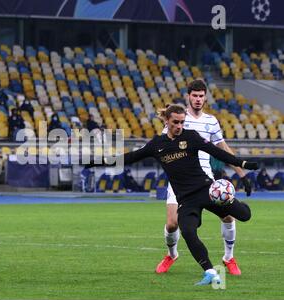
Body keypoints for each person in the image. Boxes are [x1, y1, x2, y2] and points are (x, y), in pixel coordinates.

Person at [87, 104, 258, 285]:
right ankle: (210, 272)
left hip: (207, 191)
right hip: (186, 199)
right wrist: (99, 161)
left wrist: (243, 163)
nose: (179, 126)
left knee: (244, 216)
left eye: (182, 122)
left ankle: (235, 207)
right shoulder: (157, 145)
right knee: (188, 231)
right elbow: (129, 157)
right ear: (166, 121)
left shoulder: (191, 137)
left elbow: (218, 152)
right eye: (175, 122)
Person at [155, 80, 252, 276]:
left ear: (205, 98)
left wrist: (242, 173)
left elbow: (222, 148)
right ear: (188, 96)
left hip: (205, 179)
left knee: (227, 215)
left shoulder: (211, 121)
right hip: (180, 180)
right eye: (194, 96)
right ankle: (171, 254)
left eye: (201, 96)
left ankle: (228, 258)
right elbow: (164, 145)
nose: (198, 99)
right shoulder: (178, 119)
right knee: (172, 223)